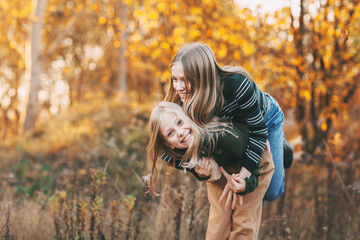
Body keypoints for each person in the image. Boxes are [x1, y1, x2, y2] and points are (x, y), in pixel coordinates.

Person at [164, 42, 293, 202]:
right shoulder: (181, 101)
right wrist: (200, 166)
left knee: (270, 193)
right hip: (234, 132)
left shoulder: (237, 84)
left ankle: (280, 145)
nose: (178, 87)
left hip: (263, 122)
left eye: (185, 80)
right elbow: (165, 151)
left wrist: (245, 177)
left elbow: (258, 131)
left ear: (203, 76)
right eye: (174, 79)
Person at [146, 101, 274, 239]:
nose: (180, 133)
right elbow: (174, 159)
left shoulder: (226, 138)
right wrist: (202, 171)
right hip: (222, 163)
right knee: (218, 224)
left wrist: (246, 184)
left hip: (252, 160)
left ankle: (281, 146)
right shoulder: (175, 154)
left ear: (187, 116)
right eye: (170, 133)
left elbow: (253, 158)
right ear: (167, 143)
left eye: (179, 122)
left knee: (243, 223)